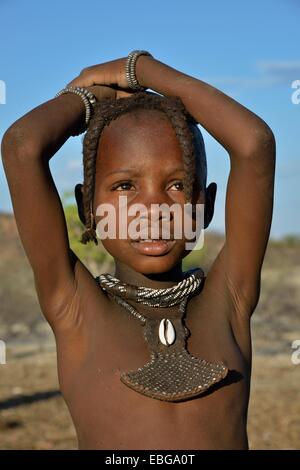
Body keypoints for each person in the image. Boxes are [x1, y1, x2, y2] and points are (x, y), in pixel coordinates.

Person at [1, 50, 276, 450]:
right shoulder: (75, 308)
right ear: (87, 208)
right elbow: (22, 146)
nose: (154, 209)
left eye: (178, 185)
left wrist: (138, 69)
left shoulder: (228, 301)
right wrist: (89, 98)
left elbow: (254, 143)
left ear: (207, 206)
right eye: (125, 186)